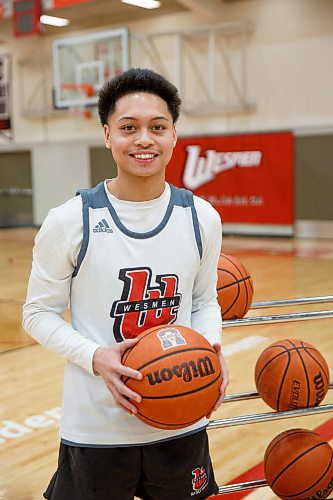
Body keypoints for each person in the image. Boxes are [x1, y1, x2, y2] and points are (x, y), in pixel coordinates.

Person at [23, 67, 229, 500]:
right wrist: (95, 356)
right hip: (97, 428)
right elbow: (37, 313)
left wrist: (210, 348)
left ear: (174, 135)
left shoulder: (202, 218)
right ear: (106, 135)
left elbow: (204, 300)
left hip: (183, 417)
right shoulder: (70, 221)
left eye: (158, 127)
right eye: (128, 128)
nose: (144, 139)